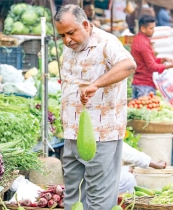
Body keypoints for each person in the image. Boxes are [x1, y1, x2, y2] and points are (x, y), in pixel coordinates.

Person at [54, 4, 137, 209]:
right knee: (74, 191)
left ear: (85, 24)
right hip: (73, 130)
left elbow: (128, 65)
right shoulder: (70, 48)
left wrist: (96, 84)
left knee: (98, 193)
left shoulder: (106, 42)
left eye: (71, 33)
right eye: (62, 35)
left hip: (101, 133)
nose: (67, 40)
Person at [131, 15, 173, 99]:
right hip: (144, 84)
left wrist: (162, 60)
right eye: (151, 28)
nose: (153, 31)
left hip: (139, 82)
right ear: (143, 29)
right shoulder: (143, 44)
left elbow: (146, 61)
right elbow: (152, 66)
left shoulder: (138, 39)